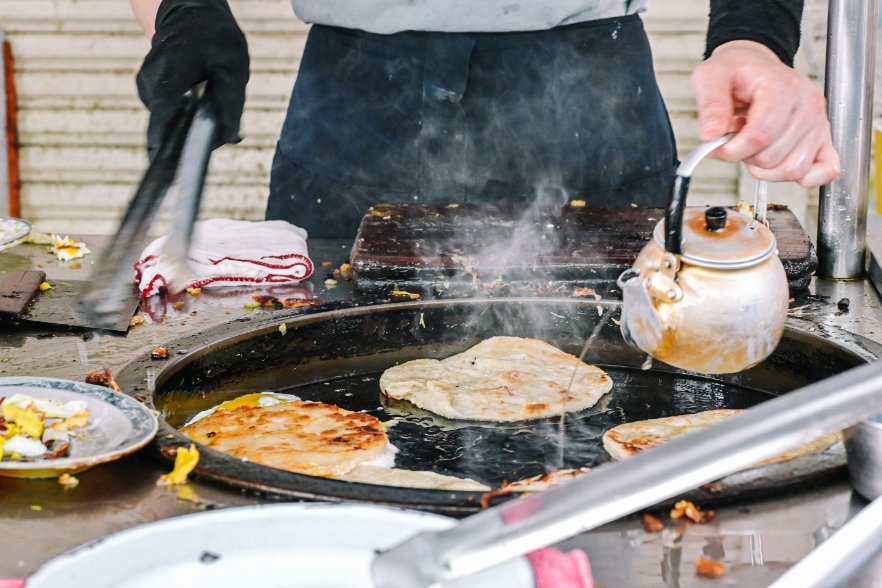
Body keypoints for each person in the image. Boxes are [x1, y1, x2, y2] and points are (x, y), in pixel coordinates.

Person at [130, 0, 840, 239]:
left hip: (592, 91)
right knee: (328, 427)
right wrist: (183, 11)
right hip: (358, 98)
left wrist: (753, 36)